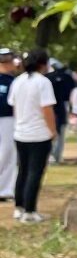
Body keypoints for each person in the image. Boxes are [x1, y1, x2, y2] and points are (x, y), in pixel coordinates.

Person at [8, 48, 57, 223]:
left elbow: (14, 106)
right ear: (43, 64)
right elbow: (47, 110)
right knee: (34, 172)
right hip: (39, 135)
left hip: (21, 133)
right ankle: (29, 211)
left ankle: (19, 207)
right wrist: (53, 131)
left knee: (23, 170)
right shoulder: (43, 83)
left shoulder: (18, 81)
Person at [48, 59, 77, 164]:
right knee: (59, 132)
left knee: (51, 131)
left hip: (50, 106)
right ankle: (56, 156)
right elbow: (71, 92)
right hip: (60, 106)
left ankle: (51, 156)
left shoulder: (45, 78)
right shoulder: (67, 77)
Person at [0, 50, 16, 204]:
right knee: (7, 154)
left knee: (7, 154)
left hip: (8, 118)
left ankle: (5, 189)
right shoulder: (13, 81)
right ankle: (4, 189)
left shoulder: (13, 80)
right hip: (7, 118)